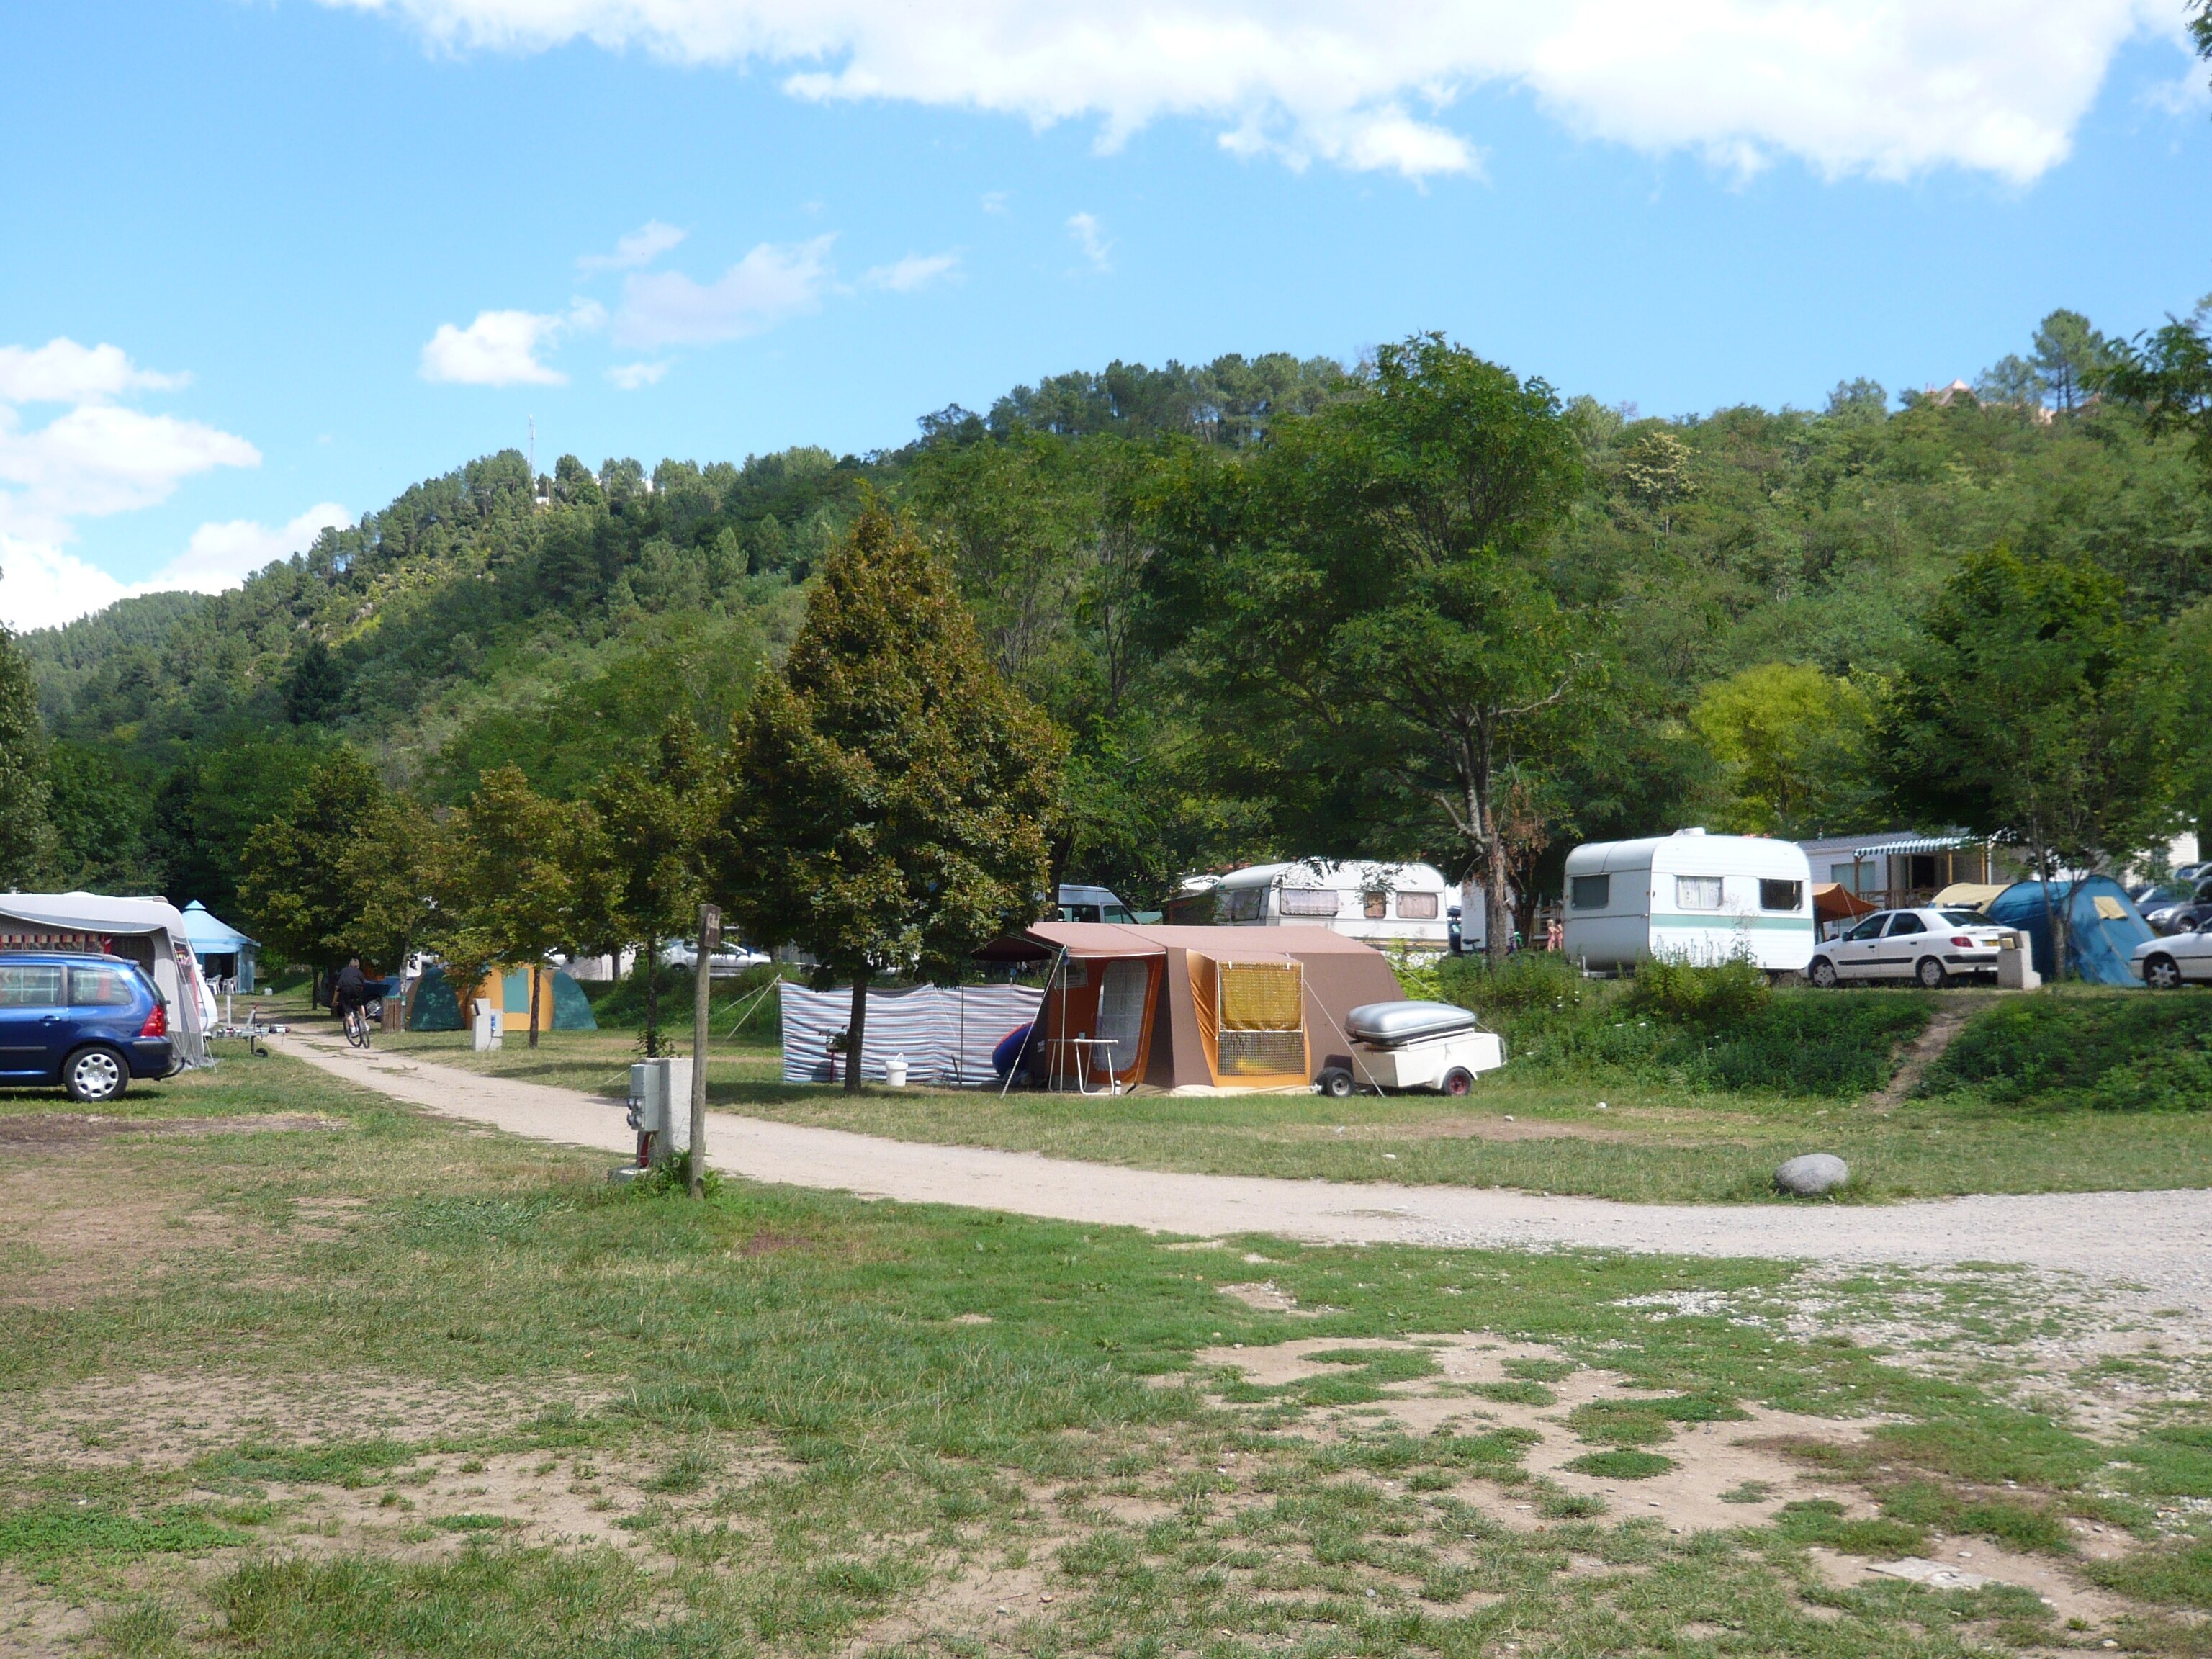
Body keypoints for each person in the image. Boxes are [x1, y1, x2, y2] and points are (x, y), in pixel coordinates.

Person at [331, 958, 372, 1030]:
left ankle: (353, 1028)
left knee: (347, 1009)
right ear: (358, 966)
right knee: (360, 1005)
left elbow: (338, 987)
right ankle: (364, 1023)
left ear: (349, 965)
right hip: (357, 989)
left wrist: (334, 1001)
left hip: (345, 989)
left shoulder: (344, 971)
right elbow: (362, 986)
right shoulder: (360, 972)